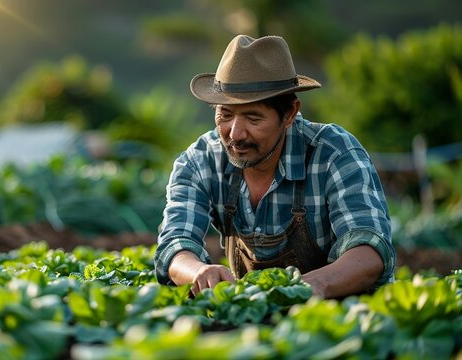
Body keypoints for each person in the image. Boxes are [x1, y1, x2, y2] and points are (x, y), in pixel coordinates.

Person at [154, 35, 395, 299]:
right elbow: (176, 244)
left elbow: (369, 251)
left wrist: (310, 287)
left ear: (290, 114)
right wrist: (198, 271)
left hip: (342, 323)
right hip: (255, 326)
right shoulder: (201, 160)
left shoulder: (334, 154)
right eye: (225, 114)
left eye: (253, 117)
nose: (235, 134)